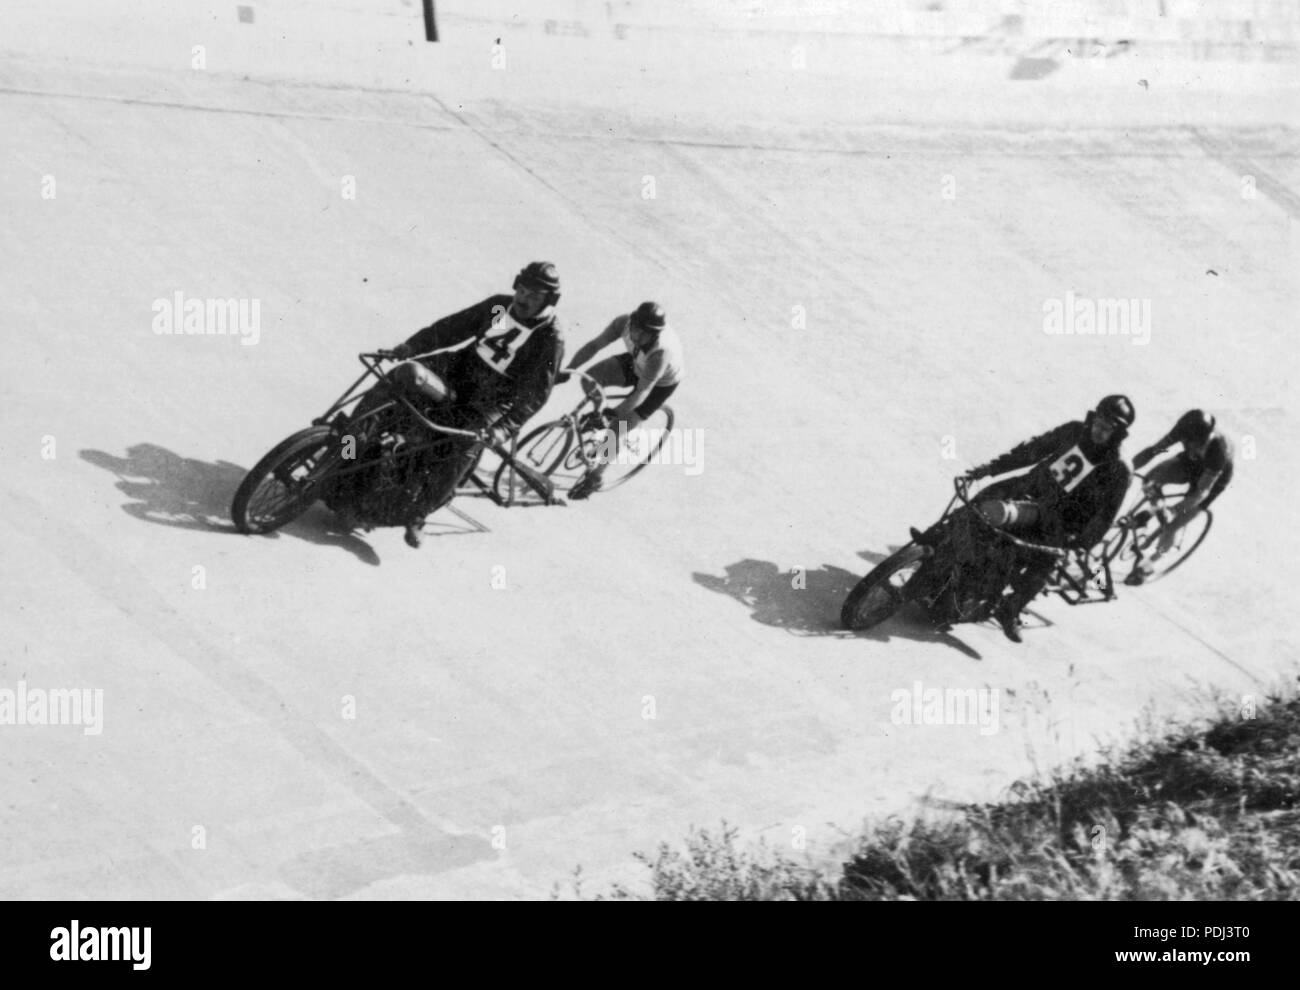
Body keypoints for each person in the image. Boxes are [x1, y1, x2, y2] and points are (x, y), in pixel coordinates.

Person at [370, 261, 565, 547]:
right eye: (522, 290)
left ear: (548, 300)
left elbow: (535, 393)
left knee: (464, 446)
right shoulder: (501, 307)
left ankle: (418, 512)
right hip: (460, 368)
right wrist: (411, 346)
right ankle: (349, 439)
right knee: (403, 377)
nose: (523, 299)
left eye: (534, 296)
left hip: (492, 397)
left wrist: (503, 429)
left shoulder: (549, 337)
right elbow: (453, 328)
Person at [912, 395, 1135, 643]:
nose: (1100, 432)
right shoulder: (1074, 430)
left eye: (1108, 429)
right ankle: (933, 539)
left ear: (1118, 433)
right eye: (1099, 423)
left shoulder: (1118, 469)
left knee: (1046, 560)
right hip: (1030, 487)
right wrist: (991, 468)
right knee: (985, 498)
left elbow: (1105, 516)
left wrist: (1079, 543)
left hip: (1058, 519)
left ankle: (1011, 608)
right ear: (1094, 418)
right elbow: (1031, 450)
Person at [558, 301, 684, 500]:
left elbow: (642, 391)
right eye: (636, 330)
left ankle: (596, 477)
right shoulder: (622, 323)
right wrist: (568, 369)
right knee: (592, 379)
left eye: (646, 334)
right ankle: (600, 417)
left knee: (616, 430)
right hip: (637, 363)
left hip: (658, 384)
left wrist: (614, 414)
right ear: (631, 323)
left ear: (655, 335)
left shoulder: (661, 353)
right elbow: (594, 346)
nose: (639, 337)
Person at [1124, 409, 1232, 585]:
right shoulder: (1182, 430)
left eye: (1197, 443)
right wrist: (1127, 468)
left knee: (1172, 526)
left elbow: (1201, 492)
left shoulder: (1217, 451)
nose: (1192, 444)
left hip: (1211, 482)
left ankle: (1149, 565)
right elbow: (1153, 451)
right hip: (1191, 464)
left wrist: (1172, 510)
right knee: (1151, 480)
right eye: (1188, 441)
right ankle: (1154, 514)